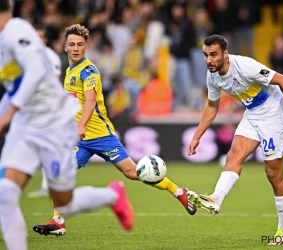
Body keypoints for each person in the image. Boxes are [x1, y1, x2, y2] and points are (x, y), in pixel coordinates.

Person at [33, 24, 197, 237]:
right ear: (65, 46)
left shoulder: (88, 70)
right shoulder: (69, 71)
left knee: (133, 172)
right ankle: (58, 222)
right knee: (60, 174)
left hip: (100, 135)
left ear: (86, 46)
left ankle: (178, 191)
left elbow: (90, 100)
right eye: (71, 44)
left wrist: (81, 125)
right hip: (79, 139)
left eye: (80, 44)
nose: (75, 48)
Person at [0, 2, 134, 250]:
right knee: (6, 193)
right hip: (26, 125)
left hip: (53, 124)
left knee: (65, 204)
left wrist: (8, 114)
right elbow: (12, 88)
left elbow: (36, 70)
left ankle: (113, 195)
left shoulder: (14, 31)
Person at [187, 35, 283, 245]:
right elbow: (212, 107)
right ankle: (216, 199)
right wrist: (197, 136)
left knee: (273, 174)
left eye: (213, 55)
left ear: (225, 54)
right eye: (205, 55)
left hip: (275, 114)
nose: (209, 60)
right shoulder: (212, 76)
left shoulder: (246, 66)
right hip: (252, 114)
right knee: (234, 156)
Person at [27, 25, 62, 198]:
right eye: (37, 36)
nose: (39, 39)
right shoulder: (29, 56)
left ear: (46, 39)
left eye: (42, 36)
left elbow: (55, 83)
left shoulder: (50, 57)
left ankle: (49, 185)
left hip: (48, 108)